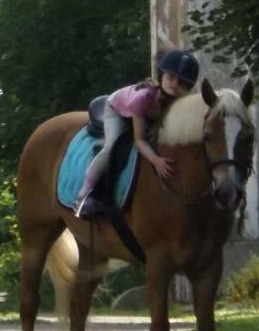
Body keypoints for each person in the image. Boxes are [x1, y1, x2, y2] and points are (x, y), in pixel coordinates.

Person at [73, 49, 200, 218]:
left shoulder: (179, 103)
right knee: (113, 144)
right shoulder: (142, 99)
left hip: (147, 113)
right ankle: (85, 194)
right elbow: (139, 140)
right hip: (118, 109)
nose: (175, 84)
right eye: (171, 77)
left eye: (182, 82)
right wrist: (156, 161)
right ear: (161, 75)